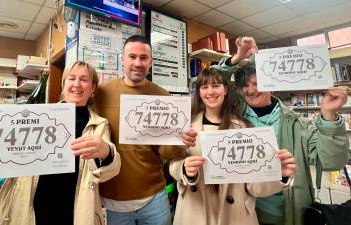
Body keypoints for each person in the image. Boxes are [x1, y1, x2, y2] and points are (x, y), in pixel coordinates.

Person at [0, 61, 121, 225]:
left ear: (92, 88)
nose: (77, 84)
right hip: (30, 207)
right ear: (64, 84)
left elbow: (107, 172)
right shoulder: (37, 116)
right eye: (71, 78)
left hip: (75, 210)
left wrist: (106, 151)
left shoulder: (99, 124)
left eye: (84, 79)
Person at [212, 36, 350, 225]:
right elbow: (214, 83)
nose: (251, 90)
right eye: (245, 85)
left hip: (286, 212)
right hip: (244, 211)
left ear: (271, 84)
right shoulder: (235, 112)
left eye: (256, 83)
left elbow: (332, 161)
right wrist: (237, 58)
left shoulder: (297, 123)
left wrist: (328, 115)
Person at [169, 67, 296, 225]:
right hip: (195, 211)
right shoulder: (185, 126)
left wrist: (280, 174)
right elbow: (172, 162)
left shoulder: (244, 128)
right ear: (199, 92)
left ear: (226, 89)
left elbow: (254, 186)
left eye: (216, 86)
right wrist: (183, 168)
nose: (211, 92)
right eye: (204, 87)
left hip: (235, 215)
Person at [93, 35, 183, 225]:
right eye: (132, 57)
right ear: (122, 59)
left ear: (151, 62)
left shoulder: (164, 97)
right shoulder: (101, 94)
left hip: (154, 197)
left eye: (143, 58)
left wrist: (179, 140)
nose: (138, 63)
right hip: (112, 200)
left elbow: (165, 151)